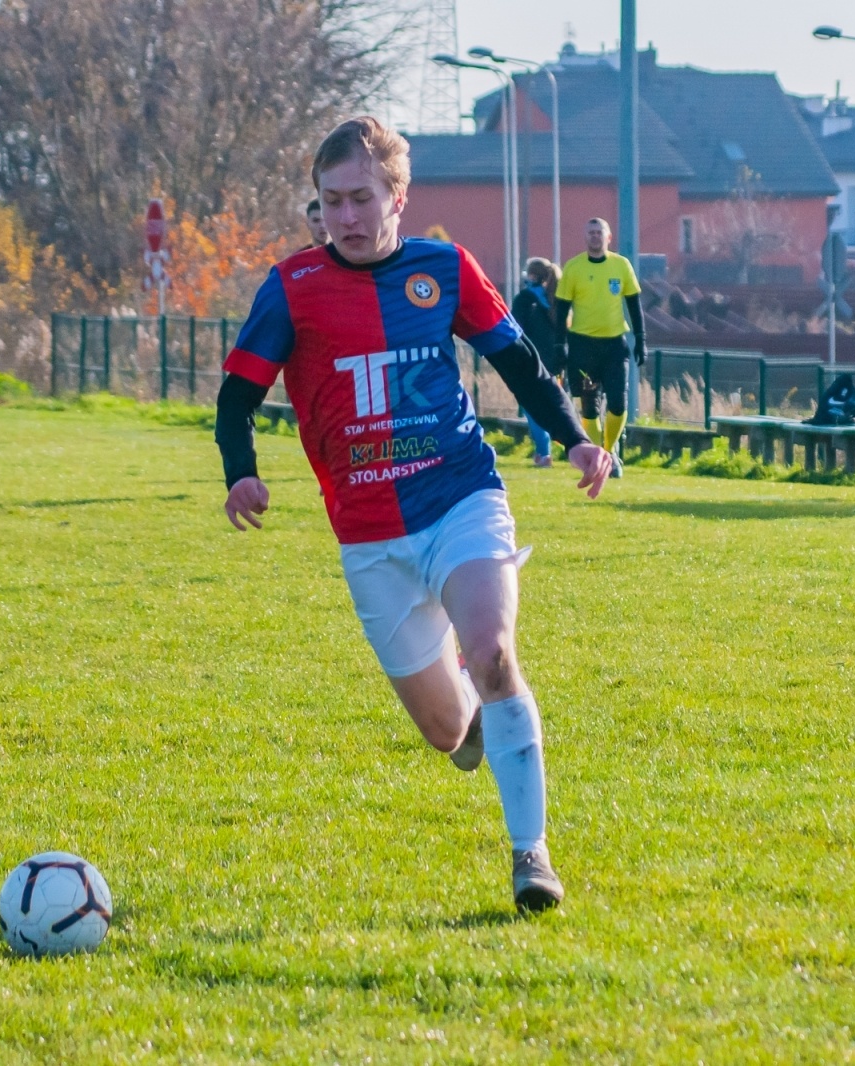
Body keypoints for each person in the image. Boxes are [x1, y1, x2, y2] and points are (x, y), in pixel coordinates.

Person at [214, 117, 613, 912]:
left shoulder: (445, 268)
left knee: (496, 653)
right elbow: (236, 396)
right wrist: (242, 474)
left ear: (398, 196)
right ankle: (467, 710)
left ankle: (531, 855)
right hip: (370, 538)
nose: (347, 218)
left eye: (362, 197)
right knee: (445, 734)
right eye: (332, 202)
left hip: (460, 496)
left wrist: (572, 439)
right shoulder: (292, 287)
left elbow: (518, 362)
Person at [555, 218, 646, 477]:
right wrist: (559, 345)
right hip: (583, 346)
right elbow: (561, 310)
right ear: (586, 238)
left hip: (614, 346)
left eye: (599, 233)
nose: (595, 237)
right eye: (591, 233)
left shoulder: (621, 265)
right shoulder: (574, 268)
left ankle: (609, 449)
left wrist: (641, 338)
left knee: (618, 402)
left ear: (608, 237)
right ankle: (601, 456)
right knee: (589, 405)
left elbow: (634, 305)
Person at [510, 258, 564, 467]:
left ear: (532, 276)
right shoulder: (556, 298)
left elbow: (515, 328)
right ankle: (570, 444)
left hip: (530, 360)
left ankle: (544, 452)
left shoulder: (525, 298)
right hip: (554, 360)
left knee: (532, 405)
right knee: (554, 403)